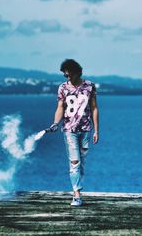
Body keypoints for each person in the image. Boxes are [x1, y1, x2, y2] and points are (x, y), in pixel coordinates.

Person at [48, 59, 99, 206]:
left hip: (85, 130)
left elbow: (94, 108)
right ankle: (76, 194)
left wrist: (96, 130)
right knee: (74, 162)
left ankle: (79, 190)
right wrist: (55, 123)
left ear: (78, 72)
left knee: (81, 162)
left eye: (70, 75)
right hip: (69, 130)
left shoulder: (89, 86)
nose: (67, 77)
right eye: (65, 75)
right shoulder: (63, 88)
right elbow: (60, 108)